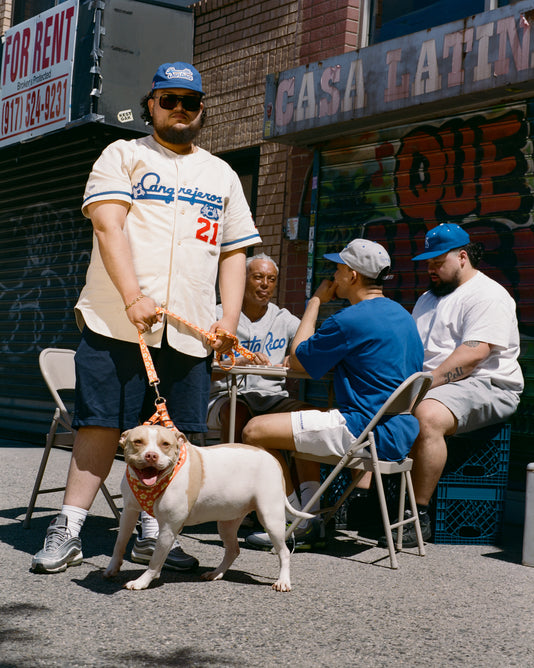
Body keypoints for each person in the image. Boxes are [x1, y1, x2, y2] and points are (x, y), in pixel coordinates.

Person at [32, 61, 261, 574]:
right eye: (169, 99)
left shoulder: (221, 174)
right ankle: (68, 526)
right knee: (100, 423)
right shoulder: (123, 154)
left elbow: (233, 254)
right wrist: (133, 295)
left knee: (176, 432)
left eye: (191, 101)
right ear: (151, 106)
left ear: (202, 110)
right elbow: (110, 227)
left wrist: (228, 320)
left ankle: (153, 534)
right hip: (119, 319)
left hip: (188, 330)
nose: (180, 109)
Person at [242, 238, 424, 550]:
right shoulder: (403, 316)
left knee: (254, 431)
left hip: (363, 430)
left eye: (338, 269)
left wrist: (314, 302)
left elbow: (299, 357)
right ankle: (309, 516)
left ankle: (291, 521)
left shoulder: (349, 319)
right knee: (303, 421)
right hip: (400, 433)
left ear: (352, 275)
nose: (333, 276)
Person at [397, 223, 524, 547]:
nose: (431, 269)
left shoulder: (488, 295)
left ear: (463, 257)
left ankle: (418, 515)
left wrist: (420, 389)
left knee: (427, 415)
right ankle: (371, 504)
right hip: (439, 384)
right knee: (371, 404)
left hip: (488, 384)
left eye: (438, 262)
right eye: (428, 262)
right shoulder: (427, 298)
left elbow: (473, 355)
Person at [207, 253, 309, 442]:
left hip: (273, 398)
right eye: (258, 277)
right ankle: (233, 466)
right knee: (237, 411)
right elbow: (202, 369)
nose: (265, 284)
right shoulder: (218, 316)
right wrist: (240, 362)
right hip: (224, 399)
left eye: (271, 279)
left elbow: (311, 348)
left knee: (307, 416)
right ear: (242, 280)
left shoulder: (283, 318)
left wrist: (295, 357)